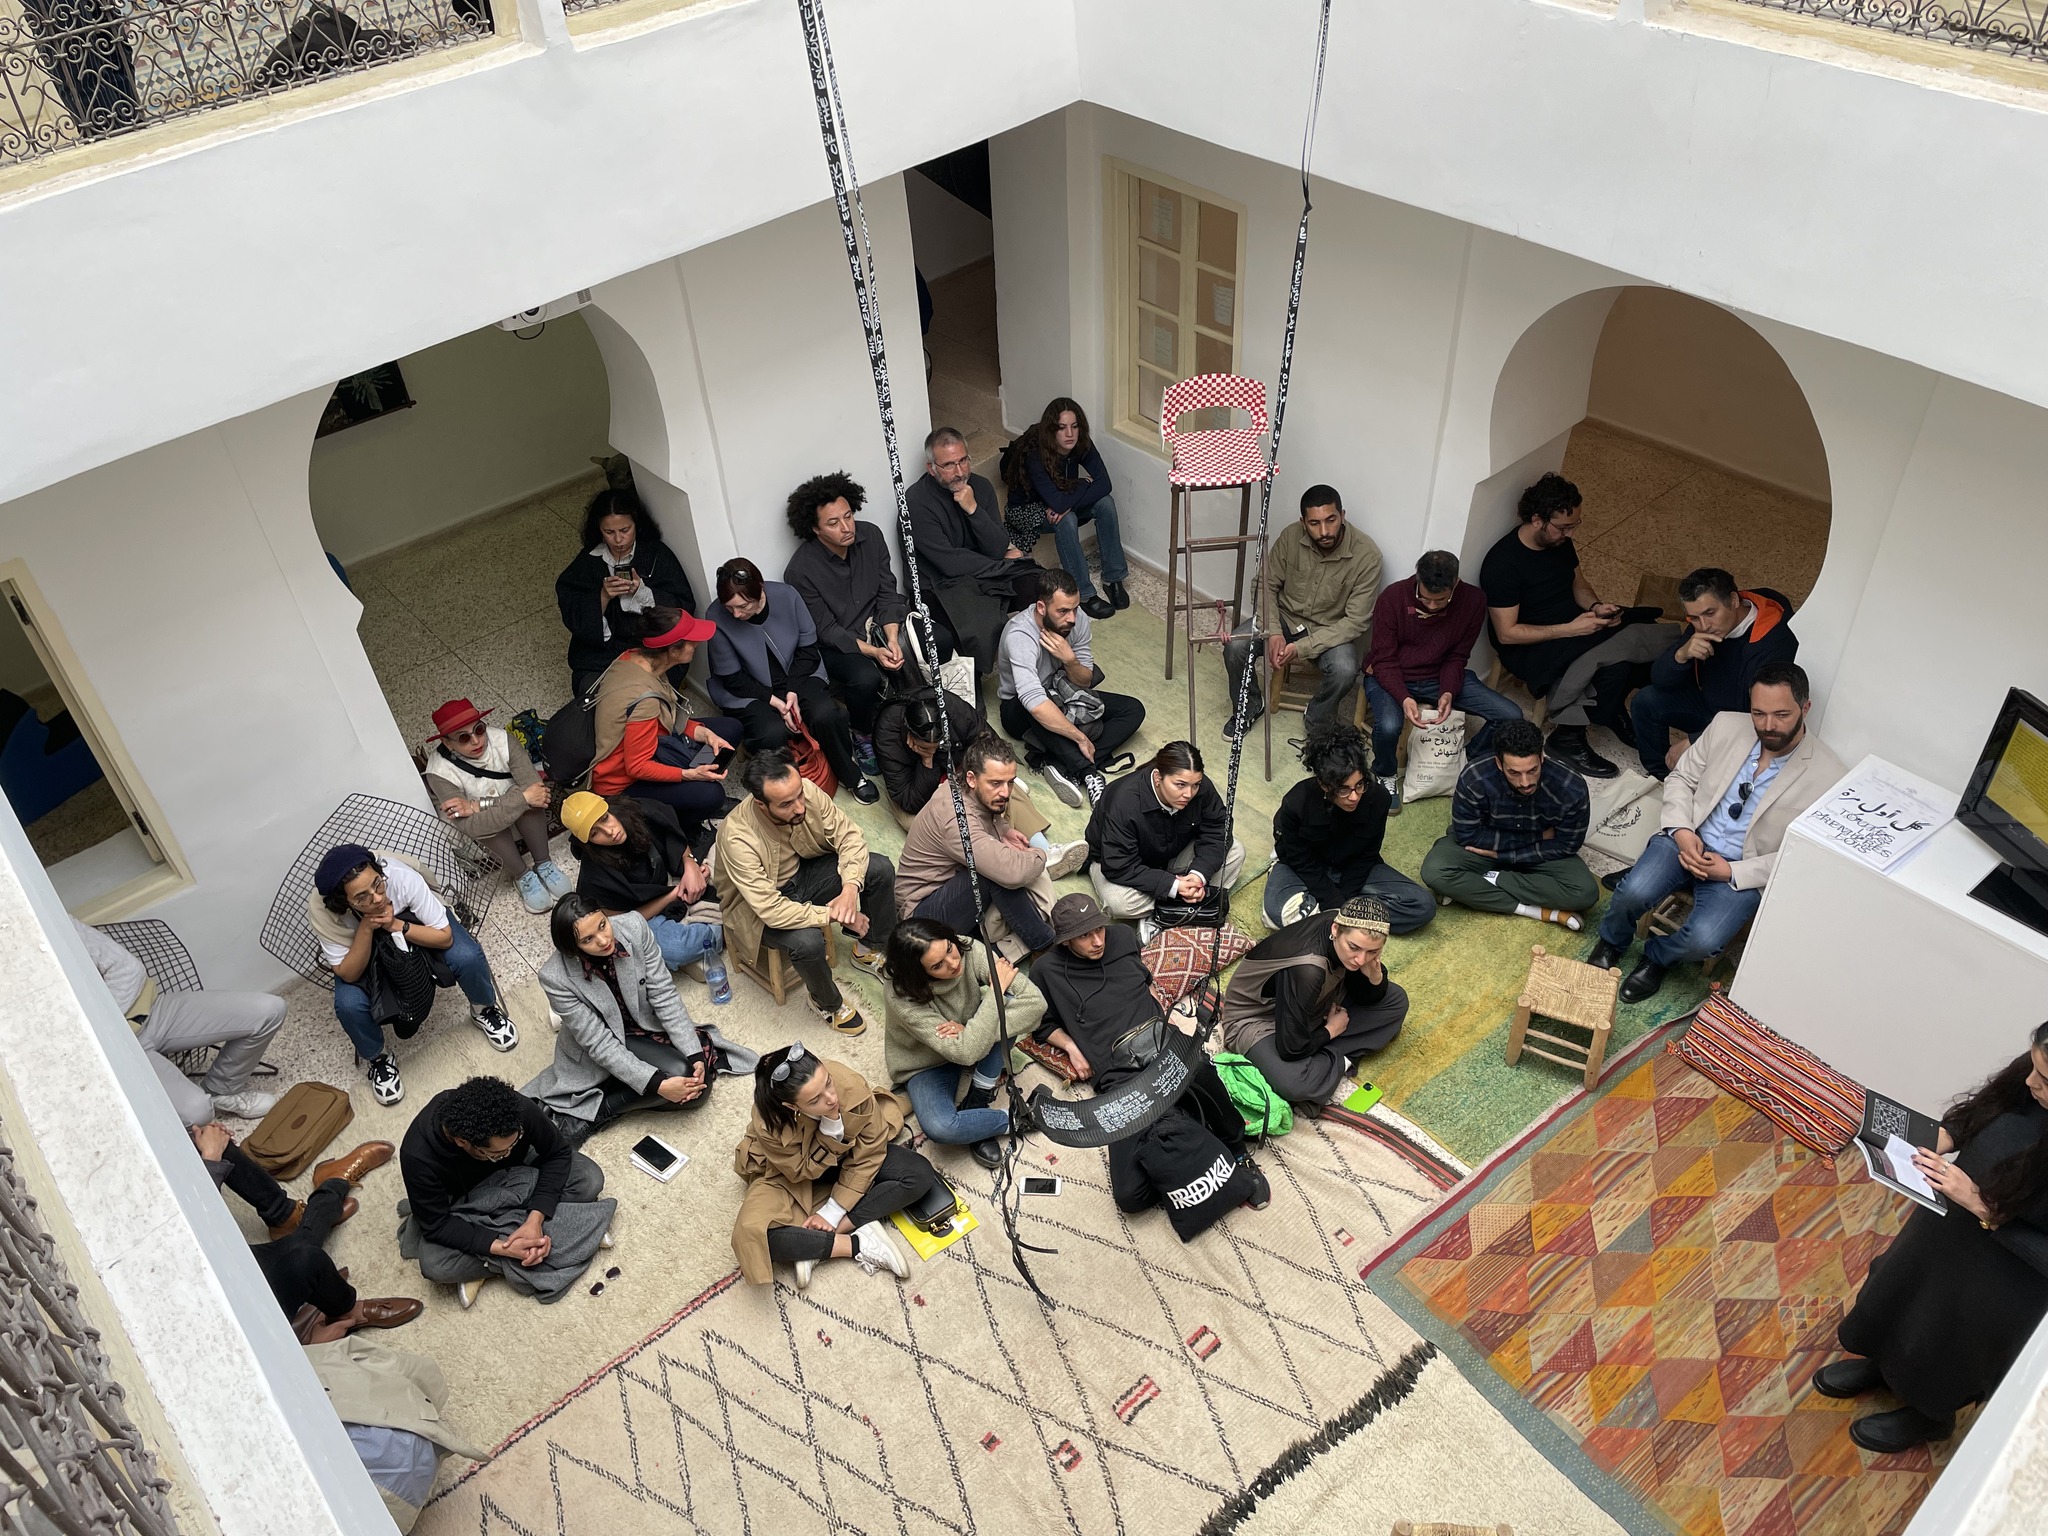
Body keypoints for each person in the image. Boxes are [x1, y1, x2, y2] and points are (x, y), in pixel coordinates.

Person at [1820, 1021, 2048, 1453]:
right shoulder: (2035, 1073)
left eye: (2045, 1080)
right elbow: (1989, 1105)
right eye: (2033, 1066)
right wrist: (1944, 1137)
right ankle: (1884, 1368)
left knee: (1949, 1337)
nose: (2030, 1082)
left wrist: (1985, 1209)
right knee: (1901, 1290)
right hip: (1949, 1221)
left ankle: (1929, 1416)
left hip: (2008, 1275)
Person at [1588, 663, 1842, 1001]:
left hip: (1740, 870)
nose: (1768, 725)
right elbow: (1681, 779)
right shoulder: (1726, 725)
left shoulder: (1830, 775)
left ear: (1805, 708)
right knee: (1632, 892)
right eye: (1758, 713)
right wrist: (1680, 830)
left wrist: (1732, 871)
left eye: (1781, 714)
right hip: (1688, 838)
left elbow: (1804, 853)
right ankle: (1611, 940)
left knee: (1704, 941)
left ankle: (1657, 958)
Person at [1032, 894, 1270, 1234]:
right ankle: (1178, 1126)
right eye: (1084, 936)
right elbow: (1041, 1025)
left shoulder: (1123, 938)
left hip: (1162, 1047)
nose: (1097, 940)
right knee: (1130, 1197)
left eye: (1099, 929)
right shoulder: (1046, 970)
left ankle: (1235, 1152)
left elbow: (1143, 979)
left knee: (1202, 1069)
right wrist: (1071, 1047)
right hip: (1118, 1080)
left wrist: (1154, 996)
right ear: (1065, 939)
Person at [1480, 472, 1673, 779]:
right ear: (1537, 519)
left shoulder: (1559, 543)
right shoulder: (1503, 564)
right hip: (1531, 643)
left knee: (1633, 633)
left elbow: (1579, 585)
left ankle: (1608, 711)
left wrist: (1597, 607)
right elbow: (1507, 633)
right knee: (1609, 658)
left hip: (1572, 623)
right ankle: (1567, 738)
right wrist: (1572, 629)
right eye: (1563, 527)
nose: (1569, 534)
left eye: (1574, 526)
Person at [527, 897, 758, 1147]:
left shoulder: (634, 926)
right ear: (572, 947)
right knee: (681, 1082)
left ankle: (620, 1088)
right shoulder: (554, 977)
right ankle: (603, 1110)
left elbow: (664, 995)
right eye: (587, 940)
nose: (603, 940)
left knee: (695, 1083)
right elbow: (599, 1043)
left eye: (602, 925)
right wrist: (656, 1085)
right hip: (600, 1042)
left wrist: (695, 1054)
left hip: (642, 1024)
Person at [309, 844, 517, 1108]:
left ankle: (483, 1009)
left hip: (412, 923)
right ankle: (379, 1057)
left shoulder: (399, 876)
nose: (376, 898)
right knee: (348, 1005)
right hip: (360, 945)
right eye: (362, 897)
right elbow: (348, 973)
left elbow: (444, 937)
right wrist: (366, 927)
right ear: (344, 902)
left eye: (377, 884)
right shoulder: (324, 911)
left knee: (467, 957)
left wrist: (395, 924)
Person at [713, 750, 895, 1035]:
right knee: (808, 941)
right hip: (756, 909)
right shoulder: (737, 836)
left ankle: (868, 948)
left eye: (799, 795)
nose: (799, 807)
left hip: (803, 874)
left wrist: (849, 890)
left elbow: (850, 836)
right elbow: (770, 909)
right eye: (786, 804)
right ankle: (827, 1003)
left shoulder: (805, 792)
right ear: (761, 805)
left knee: (879, 868)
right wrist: (833, 914)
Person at [397, 1075, 616, 1308]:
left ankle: (499, 1258)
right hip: (466, 1199)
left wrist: (535, 1219)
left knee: (589, 1179)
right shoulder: (417, 1155)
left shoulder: (515, 1108)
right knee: (435, 1265)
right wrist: (505, 1249)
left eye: (516, 1141)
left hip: (520, 1172)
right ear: (462, 1142)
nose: (510, 1149)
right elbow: (438, 1225)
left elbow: (557, 1153)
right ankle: (575, 1229)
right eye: (500, 1152)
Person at [730, 1043, 934, 1288]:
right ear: (792, 1107)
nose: (831, 1098)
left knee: (919, 1174)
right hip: (796, 1175)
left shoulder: (845, 1081)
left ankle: (829, 1235)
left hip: (851, 1155)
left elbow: (871, 1149)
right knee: (753, 1236)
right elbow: (799, 1172)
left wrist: (833, 1212)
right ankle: (854, 1244)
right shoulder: (768, 1122)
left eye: (827, 1082)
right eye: (815, 1099)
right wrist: (830, 1132)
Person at [194, 1126, 417, 1341]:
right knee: (306, 1259)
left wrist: (211, 1157)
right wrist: (211, 1161)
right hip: (229, 1312)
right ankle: (346, 1312)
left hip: (212, 1266)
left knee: (207, 1147)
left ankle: (289, 1215)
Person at [74, 918, 284, 1124]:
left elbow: (128, 970)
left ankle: (222, 1090)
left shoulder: (52, 921)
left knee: (271, 1010)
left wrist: (97, 1020)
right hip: (115, 1047)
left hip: (153, 1009)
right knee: (198, 1114)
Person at [1362, 550, 1524, 811]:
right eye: (1426, 598)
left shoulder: (1473, 601)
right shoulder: (1393, 597)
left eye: (1441, 600)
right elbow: (1384, 659)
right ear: (1417, 580)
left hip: (1439, 675)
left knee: (1511, 716)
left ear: (1455, 584)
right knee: (1390, 726)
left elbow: (1457, 656)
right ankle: (1385, 774)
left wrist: (1448, 691)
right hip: (1390, 674)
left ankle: (1463, 761)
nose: (1433, 606)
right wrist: (1404, 698)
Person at [782, 471, 920, 776]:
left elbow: (888, 593)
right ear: (815, 529)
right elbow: (827, 630)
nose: (847, 527)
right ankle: (862, 734)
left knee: (937, 638)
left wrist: (893, 639)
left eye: (848, 516)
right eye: (833, 523)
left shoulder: (870, 536)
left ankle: (926, 711)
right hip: (838, 642)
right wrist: (874, 652)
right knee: (864, 677)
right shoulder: (800, 570)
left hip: (879, 625)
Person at [707, 556, 876, 804]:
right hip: (750, 688)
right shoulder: (716, 616)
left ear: (760, 589)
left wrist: (792, 692)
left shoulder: (787, 596)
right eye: (729, 608)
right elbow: (732, 678)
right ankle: (786, 793)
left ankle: (851, 776)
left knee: (825, 714)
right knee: (770, 732)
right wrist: (774, 701)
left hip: (798, 672)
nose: (736, 614)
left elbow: (808, 650)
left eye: (743, 606)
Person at [882, 917, 1043, 1170]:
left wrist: (971, 1028)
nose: (953, 962)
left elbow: (1036, 1003)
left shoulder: (967, 947)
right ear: (919, 972)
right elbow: (966, 1052)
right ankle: (1019, 1118)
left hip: (968, 1035)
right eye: (938, 966)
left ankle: (978, 1098)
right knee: (940, 1127)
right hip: (926, 1063)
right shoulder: (900, 995)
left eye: (949, 948)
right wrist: (994, 994)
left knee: (1010, 1006)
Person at [1223, 485, 1383, 738]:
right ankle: (1250, 706)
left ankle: (1317, 718)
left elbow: (1356, 621)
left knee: (1345, 670)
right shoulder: (1290, 536)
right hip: (1285, 617)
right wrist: (1274, 631)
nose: (1324, 531)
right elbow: (1265, 585)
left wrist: (1301, 648)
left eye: (1331, 520)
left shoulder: (1367, 555)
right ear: (1303, 522)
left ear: (1342, 515)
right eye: (1315, 523)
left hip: (1329, 630)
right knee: (1235, 646)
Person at [1220, 895, 1410, 1108]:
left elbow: (1365, 995)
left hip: (1319, 999)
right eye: (1354, 948)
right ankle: (1340, 1057)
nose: (1361, 959)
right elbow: (1291, 1048)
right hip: (1260, 1020)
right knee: (1295, 1083)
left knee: (1396, 1001)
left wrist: (1376, 978)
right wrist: (1331, 1030)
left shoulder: (1347, 931)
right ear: (1335, 930)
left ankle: (1325, 1064)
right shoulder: (1307, 970)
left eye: (1372, 952)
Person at [1419, 719, 1598, 931]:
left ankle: (1480, 881)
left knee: (1585, 892)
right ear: (1499, 763)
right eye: (1514, 773)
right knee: (1435, 871)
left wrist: (1505, 857)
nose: (1525, 782)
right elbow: (1467, 835)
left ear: (1542, 758)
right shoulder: (1475, 776)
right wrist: (1541, 836)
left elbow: (1567, 845)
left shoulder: (1571, 786)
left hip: (1537, 854)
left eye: (1532, 770)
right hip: (1487, 847)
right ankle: (1533, 910)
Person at [1628, 568, 1800, 779]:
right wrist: (1681, 655)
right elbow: (1660, 680)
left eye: (1710, 613)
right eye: (1694, 618)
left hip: (1743, 725)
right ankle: (1659, 777)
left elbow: (1761, 719)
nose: (1704, 626)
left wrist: (1696, 740)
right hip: (1709, 706)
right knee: (1646, 701)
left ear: (1734, 601)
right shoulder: (1703, 626)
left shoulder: (1773, 644)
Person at [896, 733, 1059, 955]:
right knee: (996, 871)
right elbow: (1009, 871)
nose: (1005, 792)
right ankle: (1044, 944)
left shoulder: (963, 787)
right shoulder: (954, 818)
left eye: (1010, 782)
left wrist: (1004, 830)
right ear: (971, 778)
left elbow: (983, 817)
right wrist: (1041, 854)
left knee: (999, 863)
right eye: (995, 783)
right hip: (922, 917)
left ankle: (995, 950)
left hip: (950, 889)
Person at [588, 606, 741, 840]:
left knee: (729, 729)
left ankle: (692, 790)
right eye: (691, 641)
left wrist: (703, 733)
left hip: (654, 742)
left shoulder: (636, 658)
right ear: (672, 650)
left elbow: (666, 719)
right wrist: (690, 775)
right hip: (622, 783)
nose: (697, 644)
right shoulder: (643, 700)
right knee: (711, 795)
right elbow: (637, 766)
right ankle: (684, 824)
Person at [997, 568, 1146, 808]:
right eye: (1063, 611)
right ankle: (1088, 773)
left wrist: (1070, 660)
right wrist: (1079, 737)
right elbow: (1034, 702)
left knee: (1133, 709)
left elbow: (1084, 681)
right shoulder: (1020, 635)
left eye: (1075, 608)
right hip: (1019, 709)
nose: (1072, 618)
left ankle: (1060, 764)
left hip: (1063, 691)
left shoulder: (1078, 621)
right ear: (1041, 608)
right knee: (1037, 707)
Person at [1264, 726, 1436, 934]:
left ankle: (1328, 919)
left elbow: (1367, 855)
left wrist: (1341, 901)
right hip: (1302, 868)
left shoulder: (1378, 798)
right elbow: (1299, 859)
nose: (1354, 796)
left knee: (1422, 906)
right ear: (1325, 785)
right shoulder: (1296, 802)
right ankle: (1352, 917)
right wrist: (1335, 901)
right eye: (1344, 789)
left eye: (1359, 785)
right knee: (1277, 911)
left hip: (1352, 869)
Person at [559, 790, 725, 987]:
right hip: (650, 910)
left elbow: (676, 839)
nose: (609, 831)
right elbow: (623, 919)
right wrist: (674, 894)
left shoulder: (640, 810)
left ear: (609, 808)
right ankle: (721, 930)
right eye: (595, 833)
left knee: (729, 845)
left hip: (675, 875)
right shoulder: (595, 875)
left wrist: (691, 866)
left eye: (605, 818)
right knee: (675, 947)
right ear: (586, 842)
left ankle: (707, 936)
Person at [904, 427, 1038, 670]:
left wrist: (974, 509)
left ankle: (1049, 660)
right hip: (939, 585)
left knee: (1040, 583)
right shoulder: (916, 503)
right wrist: (1001, 563)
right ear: (932, 468)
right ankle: (971, 689)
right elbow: (949, 563)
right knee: (977, 628)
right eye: (949, 465)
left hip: (982, 570)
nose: (960, 472)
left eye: (963, 460)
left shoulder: (981, 487)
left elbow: (997, 545)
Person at [421, 698, 568, 916]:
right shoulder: (438, 772)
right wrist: (520, 798)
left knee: (531, 799)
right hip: (489, 836)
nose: (476, 741)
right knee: (507, 810)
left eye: (479, 730)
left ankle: (543, 862)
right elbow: (472, 827)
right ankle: (522, 876)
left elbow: (537, 792)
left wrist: (478, 805)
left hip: (522, 817)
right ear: (447, 743)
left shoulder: (503, 740)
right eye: (463, 737)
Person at [555, 487, 698, 694]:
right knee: (594, 694)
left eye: (625, 530)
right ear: (599, 530)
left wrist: (643, 593)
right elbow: (572, 608)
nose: (618, 540)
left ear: (636, 525)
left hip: (651, 647)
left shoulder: (657, 554)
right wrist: (602, 597)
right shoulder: (588, 562)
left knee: (643, 695)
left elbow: (683, 605)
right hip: (603, 652)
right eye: (609, 532)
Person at [1085, 741, 1245, 927]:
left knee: (1235, 851)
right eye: (1180, 785)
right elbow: (1119, 865)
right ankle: (1186, 908)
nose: (1189, 793)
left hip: (1171, 854)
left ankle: (1174, 907)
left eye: (1195, 785)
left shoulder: (1200, 788)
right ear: (1157, 778)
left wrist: (1198, 874)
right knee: (1120, 903)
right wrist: (1173, 886)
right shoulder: (1123, 802)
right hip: (1119, 864)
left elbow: (1218, 828)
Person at [999, 398, 1129, 619]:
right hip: (1027, 511)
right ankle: (1084, 594)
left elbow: (1105, 483)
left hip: (1062, 496)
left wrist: (1068, 499)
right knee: (1065, 520)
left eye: (1074, 426)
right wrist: (1082, 483)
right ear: (1052, 431)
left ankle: (1113, 578)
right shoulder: (1035, 456)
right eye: (1062, 427)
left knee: (1105, 503)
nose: (1070, 433)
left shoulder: (1081, 444)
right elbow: (1059, 504)